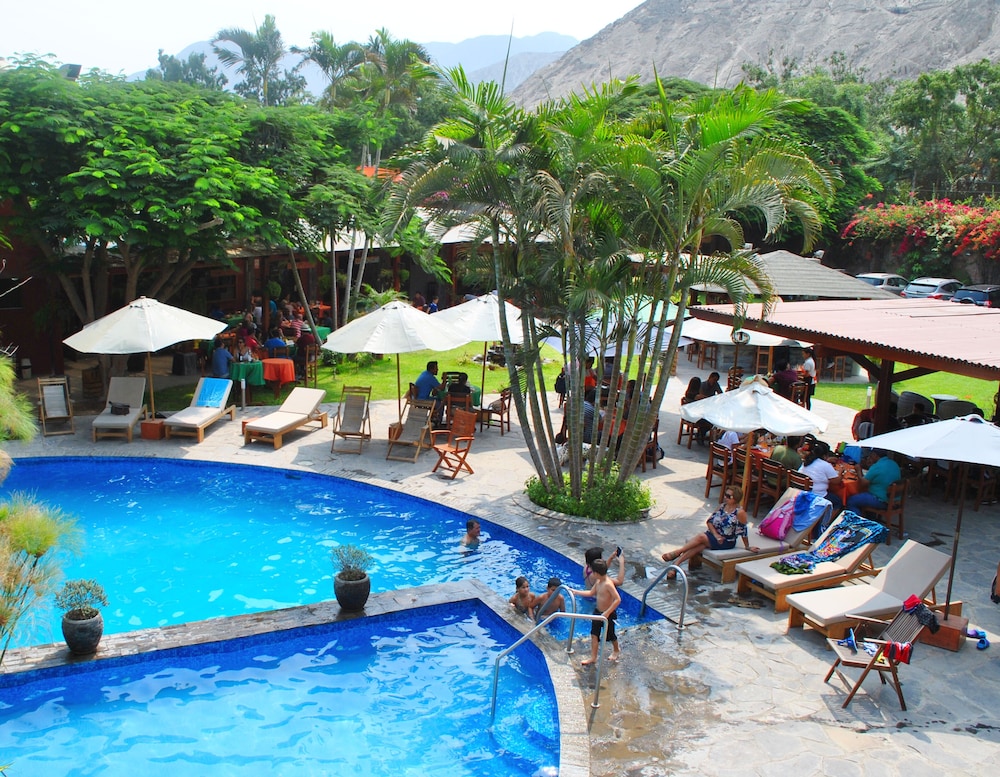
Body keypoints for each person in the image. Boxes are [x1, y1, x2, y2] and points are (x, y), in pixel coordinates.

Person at [661, 486, 757, 577]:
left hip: (726, 541)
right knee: (700, 545)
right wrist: (715, 535)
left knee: (701, 537)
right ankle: (676, 564)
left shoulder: (740, 513)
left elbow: (743, 530)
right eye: (725, 495)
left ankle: (678, 552)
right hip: (713, 536)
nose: (725, 497)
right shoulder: (722, 506)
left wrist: (747, 546)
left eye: (728, 496)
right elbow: (709, 521)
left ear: (735, 498)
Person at [570, 558, 622, 664]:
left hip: (608, 614)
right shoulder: (598, 582)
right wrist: (576, 592)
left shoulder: (608, 584)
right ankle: (593, 657)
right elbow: (591, 593)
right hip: (598, 612)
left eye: (593, 572)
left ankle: (616, 650)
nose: (592, 574)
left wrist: (607, 612)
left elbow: (618, 599)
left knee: (611, 635)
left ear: (597, 573)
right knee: (594, 634)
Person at [845, 448, 901, 513]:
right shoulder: (893, 463)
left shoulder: (877, 466)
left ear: (875, 455)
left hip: (882, 501)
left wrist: (858, 471)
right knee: (864, 494)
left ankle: (857, 521)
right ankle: (870, 516)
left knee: (851, 500)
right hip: (895, 499)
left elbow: (863, 483)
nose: (870, 456)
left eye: (871, 455)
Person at [797, 437, 843, 512]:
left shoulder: (807, 461)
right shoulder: (826, 465)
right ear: (825, 455)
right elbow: (836, 481)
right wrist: (841, 472)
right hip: (817, 495)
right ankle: (827, 522)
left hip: (802, 491)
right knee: (838, 501)